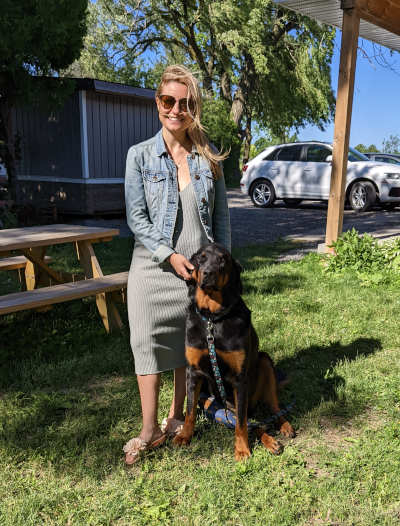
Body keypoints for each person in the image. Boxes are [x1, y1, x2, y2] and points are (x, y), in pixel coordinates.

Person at [123, 65, 231, 464]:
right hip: (152, 268)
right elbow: (137, 218)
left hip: (197, 274)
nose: (176, 110)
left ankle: (178, 416)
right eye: (169, 100)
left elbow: (221, 221)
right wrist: (168, 254)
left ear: (193, 108)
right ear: (158, 102)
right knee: (146, 343)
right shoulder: (139, 156)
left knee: (188, 344)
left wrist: (222, 269)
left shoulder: (209, 157)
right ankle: (149, 428)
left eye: (184, 103)